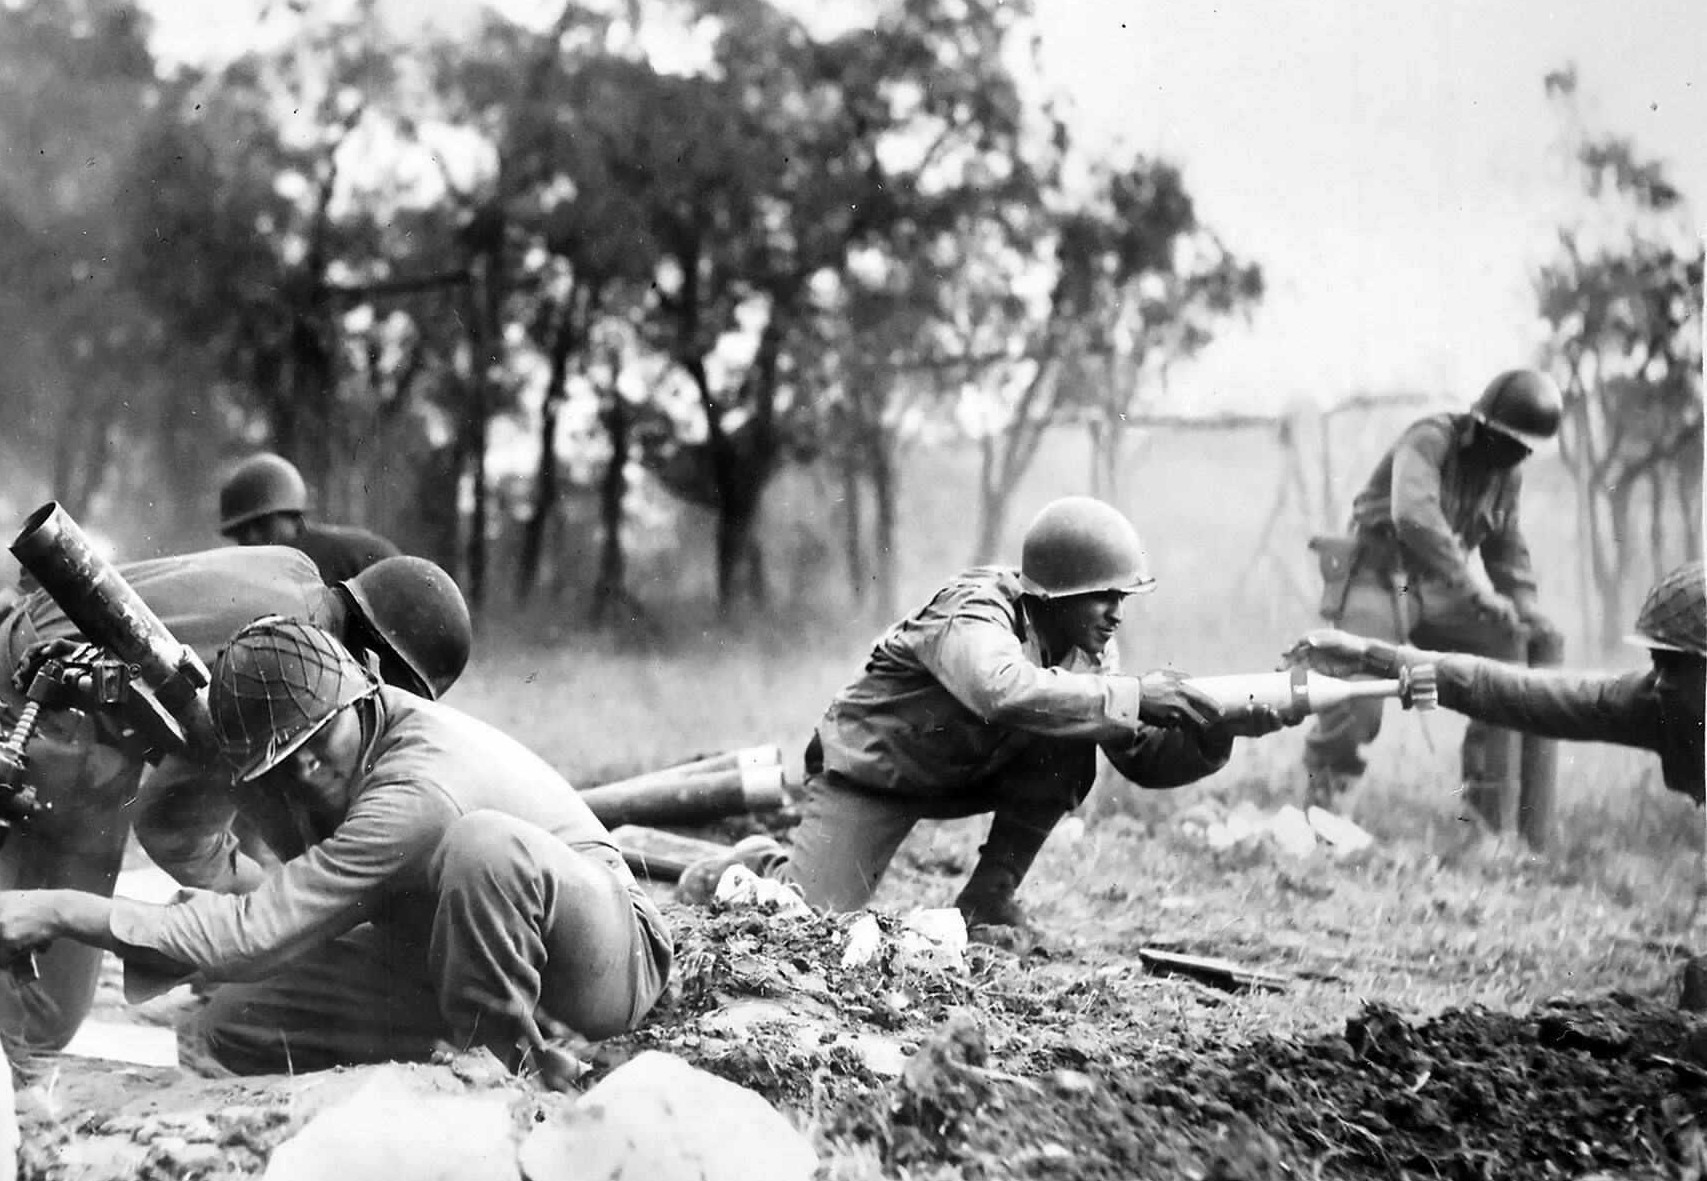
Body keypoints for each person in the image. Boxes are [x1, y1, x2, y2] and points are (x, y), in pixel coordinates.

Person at [0, 547, 472, 1070]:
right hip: (48, 729)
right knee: (36, 1012)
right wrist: (259, 897)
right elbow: (171, 822)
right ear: (372, 662)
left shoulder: (292, 573)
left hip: (38, 681)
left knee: (4, 959)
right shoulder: (281, 664)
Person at [0, 618, 674, 1083]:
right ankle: (478, 1033)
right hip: (443, 946)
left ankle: (511, 1073)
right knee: (232, 1028)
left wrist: (60, 908)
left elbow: (257, 932)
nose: (307, 772)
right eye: (279, 764)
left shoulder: (417, 789)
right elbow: (211, 856)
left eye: (315, 743)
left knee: (482, 846)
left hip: (601, 956)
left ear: (362, 686)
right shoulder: (331, 751)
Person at [679, 497, 1285, 943]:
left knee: (1079, 733)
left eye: (1123, 599)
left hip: (962, 773)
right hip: (876, 774)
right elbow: (1002, 692)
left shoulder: (1090, 650)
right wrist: (1133, 697)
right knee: (803, 923)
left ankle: (988, 899)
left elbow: (1140, 756)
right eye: (1106, 596)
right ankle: (754, 862)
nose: (1116, 614)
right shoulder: (975, 610)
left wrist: (1217, 732)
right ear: (1060, 593)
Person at [1302, 368, 1567, 837]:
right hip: (1378, 577)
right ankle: (1323, 806)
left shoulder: (1507, 476)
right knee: (1356, 678)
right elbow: (1414, 517)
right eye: (1507, 444)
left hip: (1439, 588)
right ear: (1479, 427)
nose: (1514, 457)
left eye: (1524, 449)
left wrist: (1524, 602)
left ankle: (1487, 823)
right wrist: (1478, 594)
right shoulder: (1429, 440)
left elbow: (1506, 543)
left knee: (1510, 645)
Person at [1291, 560, 1705, 807]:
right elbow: (1505, 690)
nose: (1661, 682)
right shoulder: (1652, 699)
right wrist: (1369, 654)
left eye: (1677, 664)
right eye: (1658, 661)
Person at [218, 452, 400, 586]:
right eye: (240, 531)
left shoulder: (347, 556)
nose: (251, 537)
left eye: (261, 523)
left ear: (292, 518)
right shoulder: (257, 580)